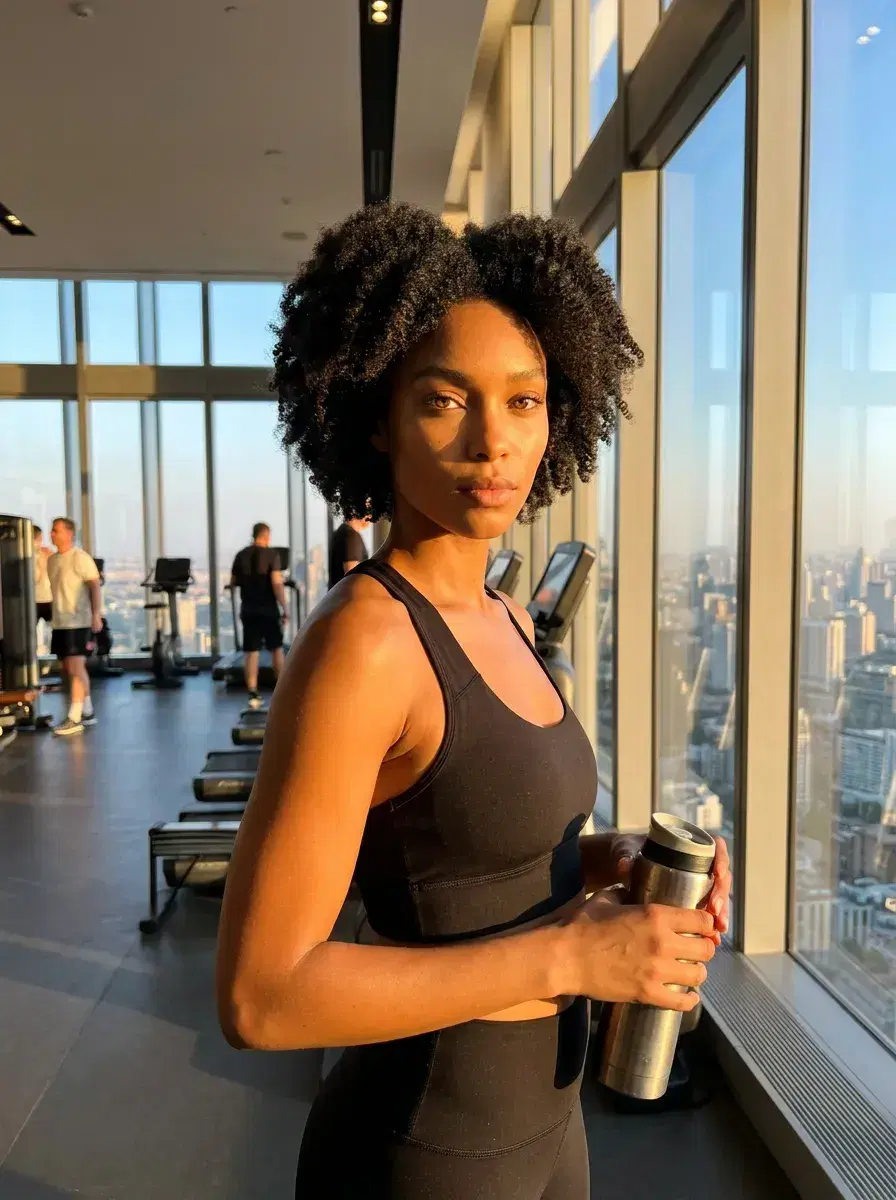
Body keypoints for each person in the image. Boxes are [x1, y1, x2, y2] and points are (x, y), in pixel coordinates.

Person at [216, 205, 732, 1199]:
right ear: (377, 414)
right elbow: (261, 996)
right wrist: (569, 956)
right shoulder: (364, 643)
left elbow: (455, 858)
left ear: (560, 416)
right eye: (445, 401)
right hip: (425, 1151)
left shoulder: (495, 611)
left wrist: (604, 858)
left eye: (523, 402)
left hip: (544, 1130)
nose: (491, 442)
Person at [47, 518, 102, 736]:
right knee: (70, 668)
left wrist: (96, 614)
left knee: (77, 667)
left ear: (69, 534)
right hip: (60, 622)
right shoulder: (52, 560)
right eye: (52, 531)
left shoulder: (81, 558)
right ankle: (87, 711)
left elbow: (95, 586)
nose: (52, 534)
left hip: (78, 621)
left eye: (56, 531)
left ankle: (74, 717)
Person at [230, 523, 288, 709]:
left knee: (251, 652)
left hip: (248, 609)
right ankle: (282, 691)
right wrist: (285, 608)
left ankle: (253, 693)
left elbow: (232, 582)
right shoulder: (272, 555)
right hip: (269, 609)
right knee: (276, 649)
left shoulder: (241, 555)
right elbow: (277, 584)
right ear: (266, 536)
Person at [328, 516, 370, 589]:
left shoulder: (341, 532)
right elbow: (351, 579)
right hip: (348, 597)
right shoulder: (351, 536)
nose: (371, 516)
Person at [32, 525, 53, 629]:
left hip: (46, 598)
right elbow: (35, 578)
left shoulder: (46, 554)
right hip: (37, 599)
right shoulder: (36, 555)